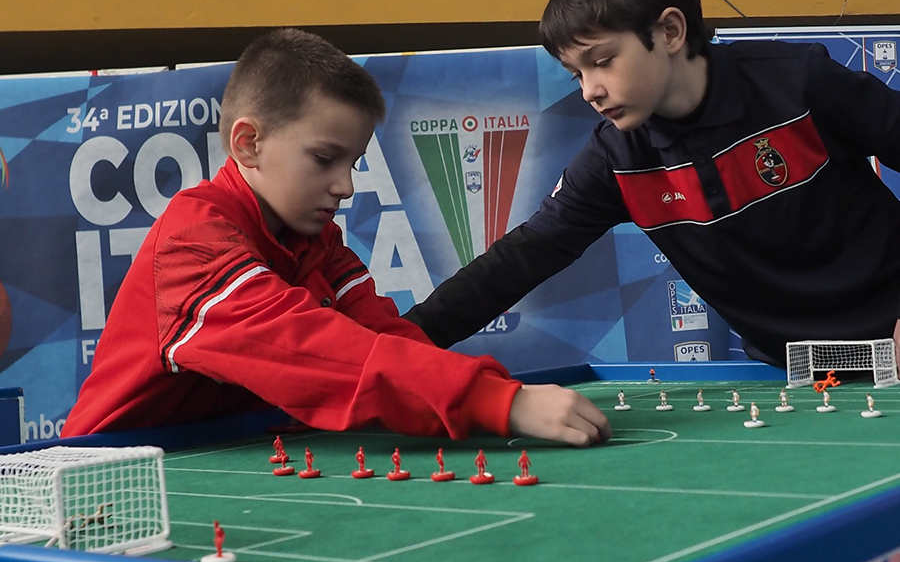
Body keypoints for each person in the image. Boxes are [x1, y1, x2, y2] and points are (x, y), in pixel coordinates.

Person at [60, 28, 610, 448]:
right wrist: (497, 402)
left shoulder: (316, 241)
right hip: (109, 481)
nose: (345, 186)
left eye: (353, 162)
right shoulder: (194, 243)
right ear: (248, 143)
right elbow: (313, 351)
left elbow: (384, 338)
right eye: (325, 159)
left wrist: (501, 396)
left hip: (225, 456)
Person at [402, 0, 900, 368]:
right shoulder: (615, 159)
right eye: (575, 74)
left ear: (670, 32)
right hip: (791, 376)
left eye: (602, 61)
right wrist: (389, 350)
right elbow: (517, 261)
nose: (590, 91)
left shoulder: (800, 82)